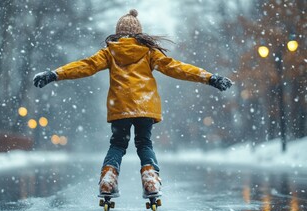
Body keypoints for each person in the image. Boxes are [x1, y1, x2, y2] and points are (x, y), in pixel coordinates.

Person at [33, 9, 232, 200]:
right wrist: (209, 78)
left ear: (118, 32)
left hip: (120, 107)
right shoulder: (149, 52)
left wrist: (55, 74)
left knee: (118, 144)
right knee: (144, 144)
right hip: (145, 107)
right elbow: (176, 68)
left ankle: (108, 178)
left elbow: (86, 66)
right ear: (139, 32)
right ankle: (151, 179)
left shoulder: (109, 52)